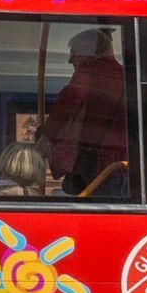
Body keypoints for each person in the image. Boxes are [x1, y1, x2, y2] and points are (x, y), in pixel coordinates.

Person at [41, 29, 131, 198]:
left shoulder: (89, 70)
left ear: (89, 49)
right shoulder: (130, 76)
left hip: (96, 169)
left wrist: (48, 136)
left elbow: (68, 104)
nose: (70, 60)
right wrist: (130, 145)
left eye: (73, 53)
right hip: (124, 169)